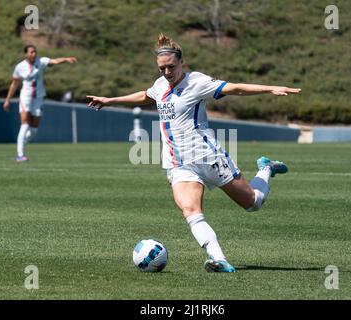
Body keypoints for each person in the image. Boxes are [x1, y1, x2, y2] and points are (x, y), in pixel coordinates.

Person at [87, 33, 301, 272]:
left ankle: (266, 168)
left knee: (253, 203)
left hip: (208, 157)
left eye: (171, 67)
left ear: (181, 63)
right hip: (179, 164)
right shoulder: (160, 86)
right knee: (190, 210)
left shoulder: (196, 82)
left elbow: (234, 88)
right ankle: (219, 259)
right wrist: (110, 100)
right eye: (162, 68)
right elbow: (145, 95)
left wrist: (270, 88)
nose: (167, 72)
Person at [3, 45, 77, 162]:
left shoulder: (41, 62)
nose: (34, 54)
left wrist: (66, 59)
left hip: (38, 97)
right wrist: (7, 99)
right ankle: (20, 154)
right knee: (25, 124)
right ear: (26, 54)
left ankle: (21, 143)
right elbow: (14, 84)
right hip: (26, 97)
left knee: (33, 130)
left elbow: (55, 61)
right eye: (31, 52)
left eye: (35, 52)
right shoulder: (20, 67)